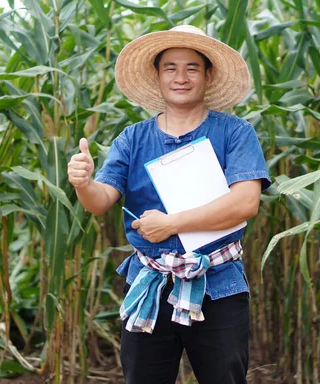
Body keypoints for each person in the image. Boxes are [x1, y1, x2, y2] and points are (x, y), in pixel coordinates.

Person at [67, 25, 271, 384]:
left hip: (218, 285)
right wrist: (84, 183)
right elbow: (101, 201)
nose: (181, 77)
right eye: (170, 68)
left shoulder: (235, 133)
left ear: (208, 76)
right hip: (150, 285)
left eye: (192, 68)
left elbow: (245, 203)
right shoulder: (132, 138)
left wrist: (172, 223)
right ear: (157, 76)